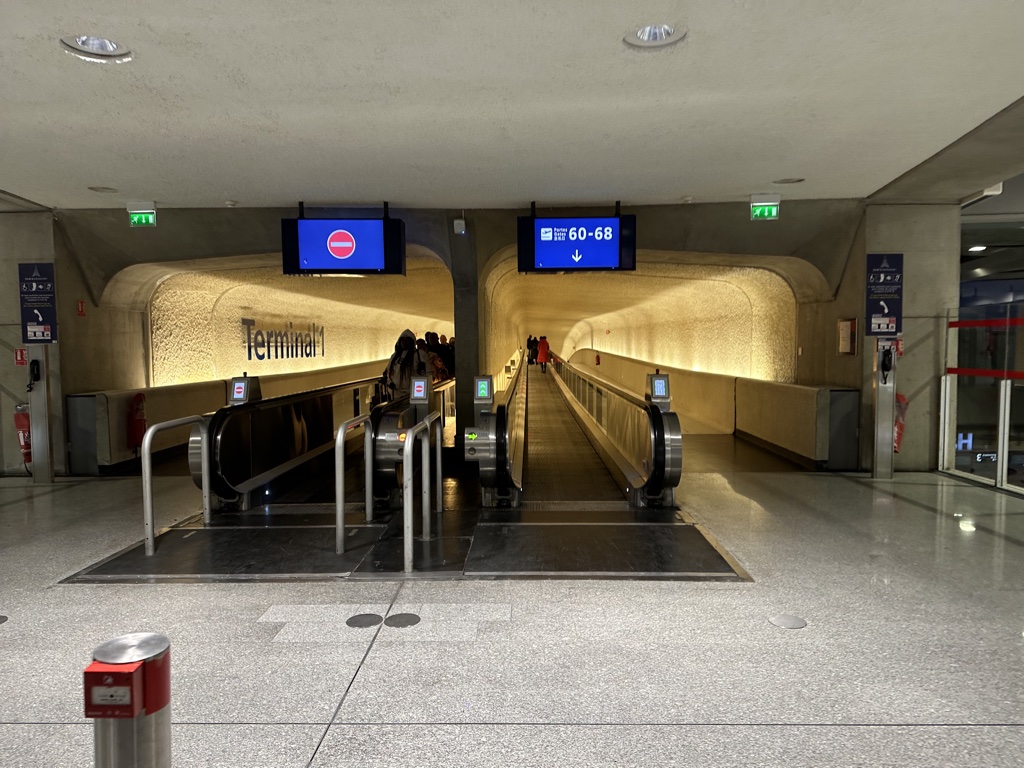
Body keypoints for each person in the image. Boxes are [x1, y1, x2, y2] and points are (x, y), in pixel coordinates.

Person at [383, 329, 427, 398]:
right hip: (396, 393)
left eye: (407, 340)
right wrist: (390, 383)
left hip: (412, 394)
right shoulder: (395, 356)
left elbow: (426, 373)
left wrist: (419, 395)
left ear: (411, 341)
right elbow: (389, 371)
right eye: (402, 339)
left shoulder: (419, 355)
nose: (404, 342)